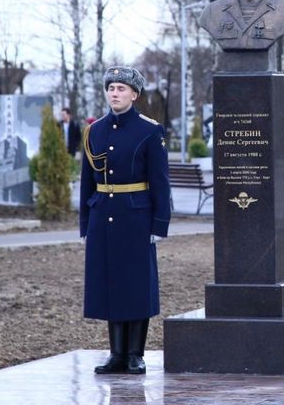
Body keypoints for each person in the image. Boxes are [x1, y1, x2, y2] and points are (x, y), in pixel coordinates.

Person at [79, 66, 171, 375]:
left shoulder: (149, 130)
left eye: (121, 89)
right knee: (110, 283)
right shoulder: (95, 131)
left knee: (135, 284)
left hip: (136, 216)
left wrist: (159, 224)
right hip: (102, 215)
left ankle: (135, 353)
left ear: (135, 94)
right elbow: (86, 182)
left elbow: (160, 181)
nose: (115, 93)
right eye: (111, 88)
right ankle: (116, 353)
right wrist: (84, 223)